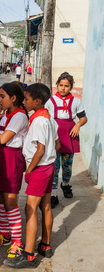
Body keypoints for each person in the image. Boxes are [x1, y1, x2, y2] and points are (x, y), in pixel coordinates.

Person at [7, 83, 59, 267]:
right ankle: (45, 245)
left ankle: (28, 254)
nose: (24, 101)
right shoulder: (49, 119)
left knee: (30, 209)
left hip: (39, 169)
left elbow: (40, 150)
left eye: (27, 99)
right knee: (45, 207)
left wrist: (29, 170)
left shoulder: (38, 121)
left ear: (37, 101)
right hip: (48, 166)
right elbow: (56, 145)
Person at [0, 82, 28, 260]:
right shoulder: (3, 115)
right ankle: (5, 233)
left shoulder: (19, 117)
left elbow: (1, 139)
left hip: (11, 158)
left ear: (14, 98)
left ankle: (17, 241)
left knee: (10, 199)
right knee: (1, 196)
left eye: (2, 96)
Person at [45, 72, 87, 207]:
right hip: (54, 135)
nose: (63, 88)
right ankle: (53, 194)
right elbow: (45, 117)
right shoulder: (50, 101)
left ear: (71, 87)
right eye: (61, 85)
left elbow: (83, 118)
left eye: (66, 86)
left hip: (69, 135)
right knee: (54, 166)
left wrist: (78, 125)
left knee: (67, 165)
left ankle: (66, 184)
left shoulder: (76, 101)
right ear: (57, 85)